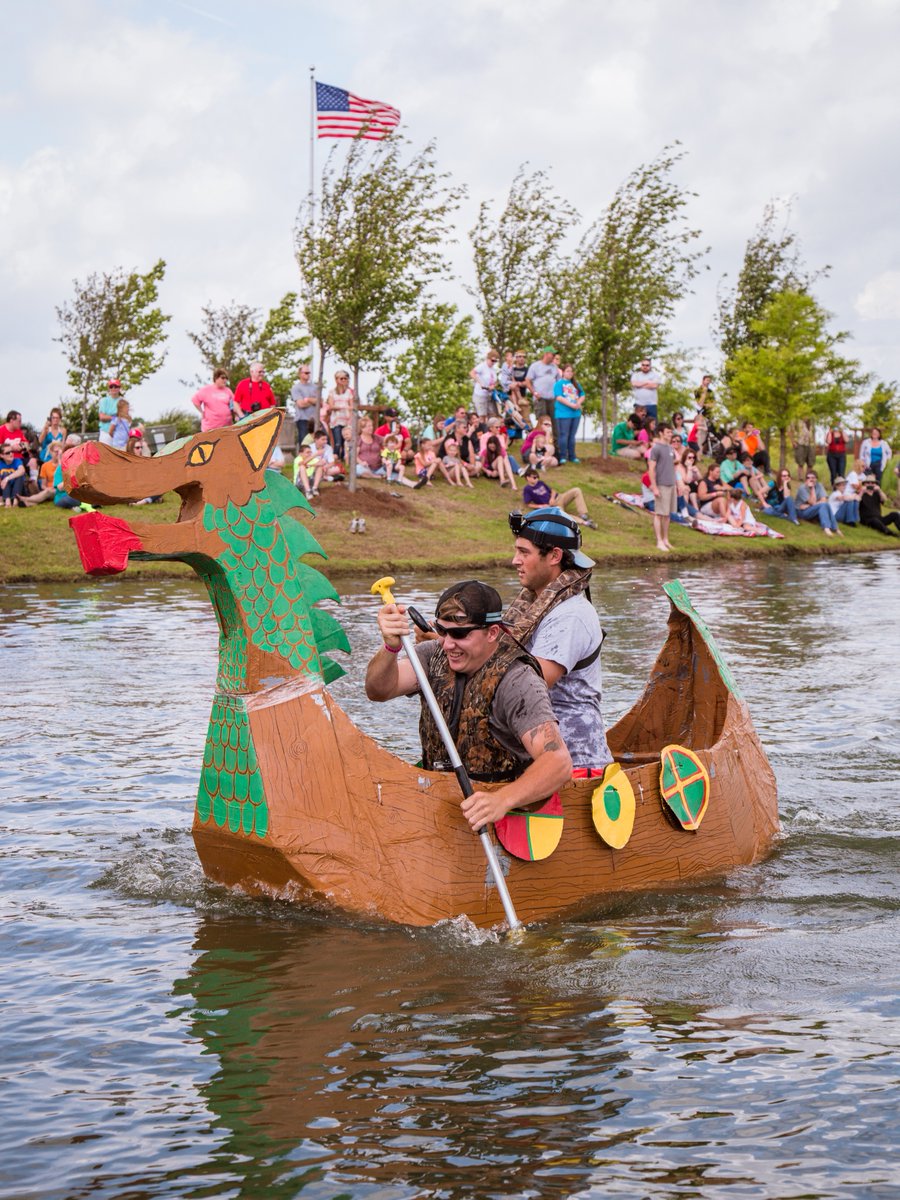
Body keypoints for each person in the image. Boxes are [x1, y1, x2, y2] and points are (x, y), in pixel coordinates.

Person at [366, 580, 572, 832]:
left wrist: (502, 799)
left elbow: (558, 762)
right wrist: (390, 647)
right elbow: (378, 690)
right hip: (441, 806)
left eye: (460, 635)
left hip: (499, 816)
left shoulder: (518, 680)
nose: (448, 644)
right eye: (443, 631)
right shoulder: (432, 655)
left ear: (493, 633)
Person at [505, 509, 612, 774]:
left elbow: (532, 683)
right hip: (537, 757)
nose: (514, 560)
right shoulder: (536, 603)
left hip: (576, 765)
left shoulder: (572, 614)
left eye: (524, 552)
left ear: (554, 556)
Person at [521, 467, 596, 528]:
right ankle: (584, 522)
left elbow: (552, 490)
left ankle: (583, 514)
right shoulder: (527, 489)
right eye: (534, 477)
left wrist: (552, 498)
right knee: (562, 514)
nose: (536, 479)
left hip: (559, 498)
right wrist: (541, 506)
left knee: (577, 490)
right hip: (552, 506)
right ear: (528, 478)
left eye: (537, 477)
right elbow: (527, 504)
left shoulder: (541, 483)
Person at [648, 422, 677, 552]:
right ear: (661, 433)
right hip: (661, 485)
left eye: (671, 432)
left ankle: (666, 539)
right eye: (668, 432)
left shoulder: (670, 448)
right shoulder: (656, 448)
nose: (670, 434)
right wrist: (654, 487)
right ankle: (659, 541)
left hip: (671, 484)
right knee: (659, 514)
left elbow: (672, 466)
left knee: (667, 515)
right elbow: (651, 469)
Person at [525, 347, 561, 444]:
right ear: (546, 354)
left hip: (552, 399)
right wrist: (534, 392)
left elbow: (559, 382)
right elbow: (527, 381)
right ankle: (539, 445)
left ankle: (556, 447)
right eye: (552, 354)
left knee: (555, 423)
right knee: (542, 423)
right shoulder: (535, 366)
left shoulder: (554, 367)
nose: (554, 356)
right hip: (540, 399)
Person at [552, 364, 585, 464]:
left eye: (571, 371)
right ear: (563, 372)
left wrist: (578, 403)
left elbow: (582, 394)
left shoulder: (575, 384)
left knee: (572, 435)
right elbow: (559, 397)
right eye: (567, 371)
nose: (570, 373)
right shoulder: (559, 384)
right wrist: (571, 405)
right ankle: (562, 456)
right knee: (563, 435)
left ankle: (572, 456)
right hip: (563, 414)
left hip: (575, 414)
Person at [321, 370, 355, 463]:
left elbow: (351, 406)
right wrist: (343, 406)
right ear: (336, 380)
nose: (343, 380)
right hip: (336, 420)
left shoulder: (349, 392)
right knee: (337, 441)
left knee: (346, 441)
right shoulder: (332, 392)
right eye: (341, 378)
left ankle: (344, 460)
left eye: (345, 378)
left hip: (346, 420)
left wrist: (347, 411)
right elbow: (331, 406)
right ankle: (335, 460)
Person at [796, 469, 841, 536]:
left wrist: (813, 505)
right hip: (802, 512)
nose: (810, 479)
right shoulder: (802, 488)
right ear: (806, 479)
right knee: (823, 505)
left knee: (825, 505)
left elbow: (824, 499)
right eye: (808, 478)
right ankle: (827, 528)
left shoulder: (819, 485)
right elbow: (812, 502)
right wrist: (812, 489)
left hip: (811, 509)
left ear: (816, 479)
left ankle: (835, 528)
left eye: (813, 478)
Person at [289, 365, 319, 446]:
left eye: (309, 373)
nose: (308, 374)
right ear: (300, 374)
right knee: (304, 443)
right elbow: (300, 404)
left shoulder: (315, 387)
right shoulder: (296, 388)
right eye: (306, 373)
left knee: (319, 441)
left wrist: (308, 399)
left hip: (315, 419)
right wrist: (313, 401)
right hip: (302, 419)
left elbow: (320, 402)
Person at [470, 349, 500, 420]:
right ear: (488, 358)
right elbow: (472, 373)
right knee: (482, 416)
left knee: (493, 415)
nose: (494, 363)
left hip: (489, 395)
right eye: (492, 360)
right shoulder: (482, 366)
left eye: (495, 361)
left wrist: (493, 386)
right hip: (480, 395)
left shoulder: (492, 369)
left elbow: (495, 381)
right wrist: (480, 383)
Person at [0, 441, 26, 506]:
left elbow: (22, 470)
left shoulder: (17, 460)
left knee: (20, 475)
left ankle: (15, 499)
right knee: (4, 474)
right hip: (4, 490)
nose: (11, 454)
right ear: (1, 455)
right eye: (7, 453)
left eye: (12, 451)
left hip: (18, 489)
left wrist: (7, 478)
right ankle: (7, 499)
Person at [790, 417, 816, 482]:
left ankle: (808, 478)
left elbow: (813, 433)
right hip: (800, 443)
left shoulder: (811, 422)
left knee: (810, 463)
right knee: (800, 462)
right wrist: (793, 442)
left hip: (810, 444)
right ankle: (800, 478)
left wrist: (814, 443)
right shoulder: (796, 421)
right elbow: (790, 431)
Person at [98, 381, 122, 446]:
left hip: (119, 433)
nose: (113, 388)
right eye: (111, 386)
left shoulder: (123, 401)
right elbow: (102, 417)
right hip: (105, 433)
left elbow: (123, 418)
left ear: (119, 388)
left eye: (116, 386)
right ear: (109, 388)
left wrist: (108, 417)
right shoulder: (104, 400)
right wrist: (115, 416)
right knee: (105, 454)